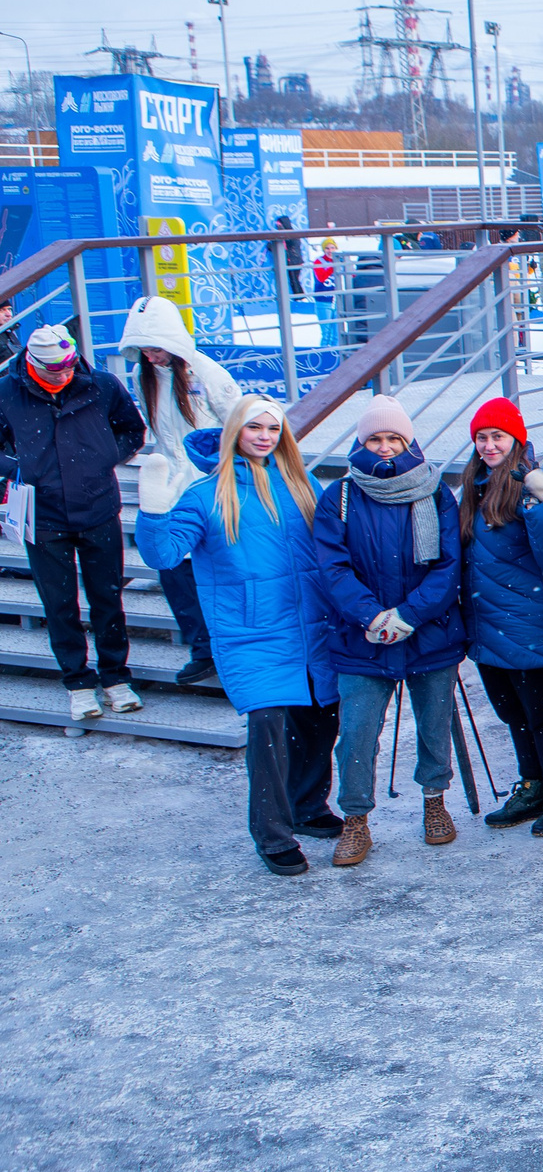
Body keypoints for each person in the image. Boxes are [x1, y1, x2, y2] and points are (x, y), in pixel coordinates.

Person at [134, 398, 339, 876]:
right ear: (234, 431)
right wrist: (153, 510)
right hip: (253, 634)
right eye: (254, 427)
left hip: (313, 630)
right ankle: (273, 834)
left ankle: (308, 806)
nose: (264, 436)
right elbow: (163, 555)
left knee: (321, 721)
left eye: (273, 428)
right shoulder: (206, 494)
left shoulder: (301, 483)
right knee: (269, 731)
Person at [312, 396, 467, 868]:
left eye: (393, 438)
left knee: (433, 725)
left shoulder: (435, 492)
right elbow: (332, 567)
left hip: (428, 634)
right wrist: (374, 617)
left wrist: (408, 616)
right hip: (362, 638)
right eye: (375, 439)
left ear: (408, 441)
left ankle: (434, 800)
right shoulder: (339, 496)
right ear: (362, 442)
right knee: (357, 733)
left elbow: (447, 566)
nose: (384, 447)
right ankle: (356, 818)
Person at [0, 324, 147, 718]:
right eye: (52, 370)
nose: (62, 375)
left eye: (67, 367)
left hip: (98, 508)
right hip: (42, 514)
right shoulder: (6, 390)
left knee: (107, 597)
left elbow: (132, 430)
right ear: (32, 362)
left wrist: (103, 458)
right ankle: (78, 681)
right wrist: (19, 468)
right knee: (59, 603)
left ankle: (116, 676)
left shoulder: (101, 384)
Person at [460, 399, 543, 839]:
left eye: (498, 436)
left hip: (528, 624)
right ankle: (531, 786)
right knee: (512, 713)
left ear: (516, 440)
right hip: (485, 625)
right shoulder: (471, 486)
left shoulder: (531, 485)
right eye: (482, 437)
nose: (490, 445)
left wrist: (538, 504)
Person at [121, 295, 241, 685]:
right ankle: (203, 647)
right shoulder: (148, 378)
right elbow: (161, 435)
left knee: (218, 570)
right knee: (171, 568)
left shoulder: (207, 374)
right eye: (144, 350)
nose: (151, 356)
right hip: (172, 486)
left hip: (210, 484)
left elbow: (238, 423)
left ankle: (228, 650)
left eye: (155, 348)